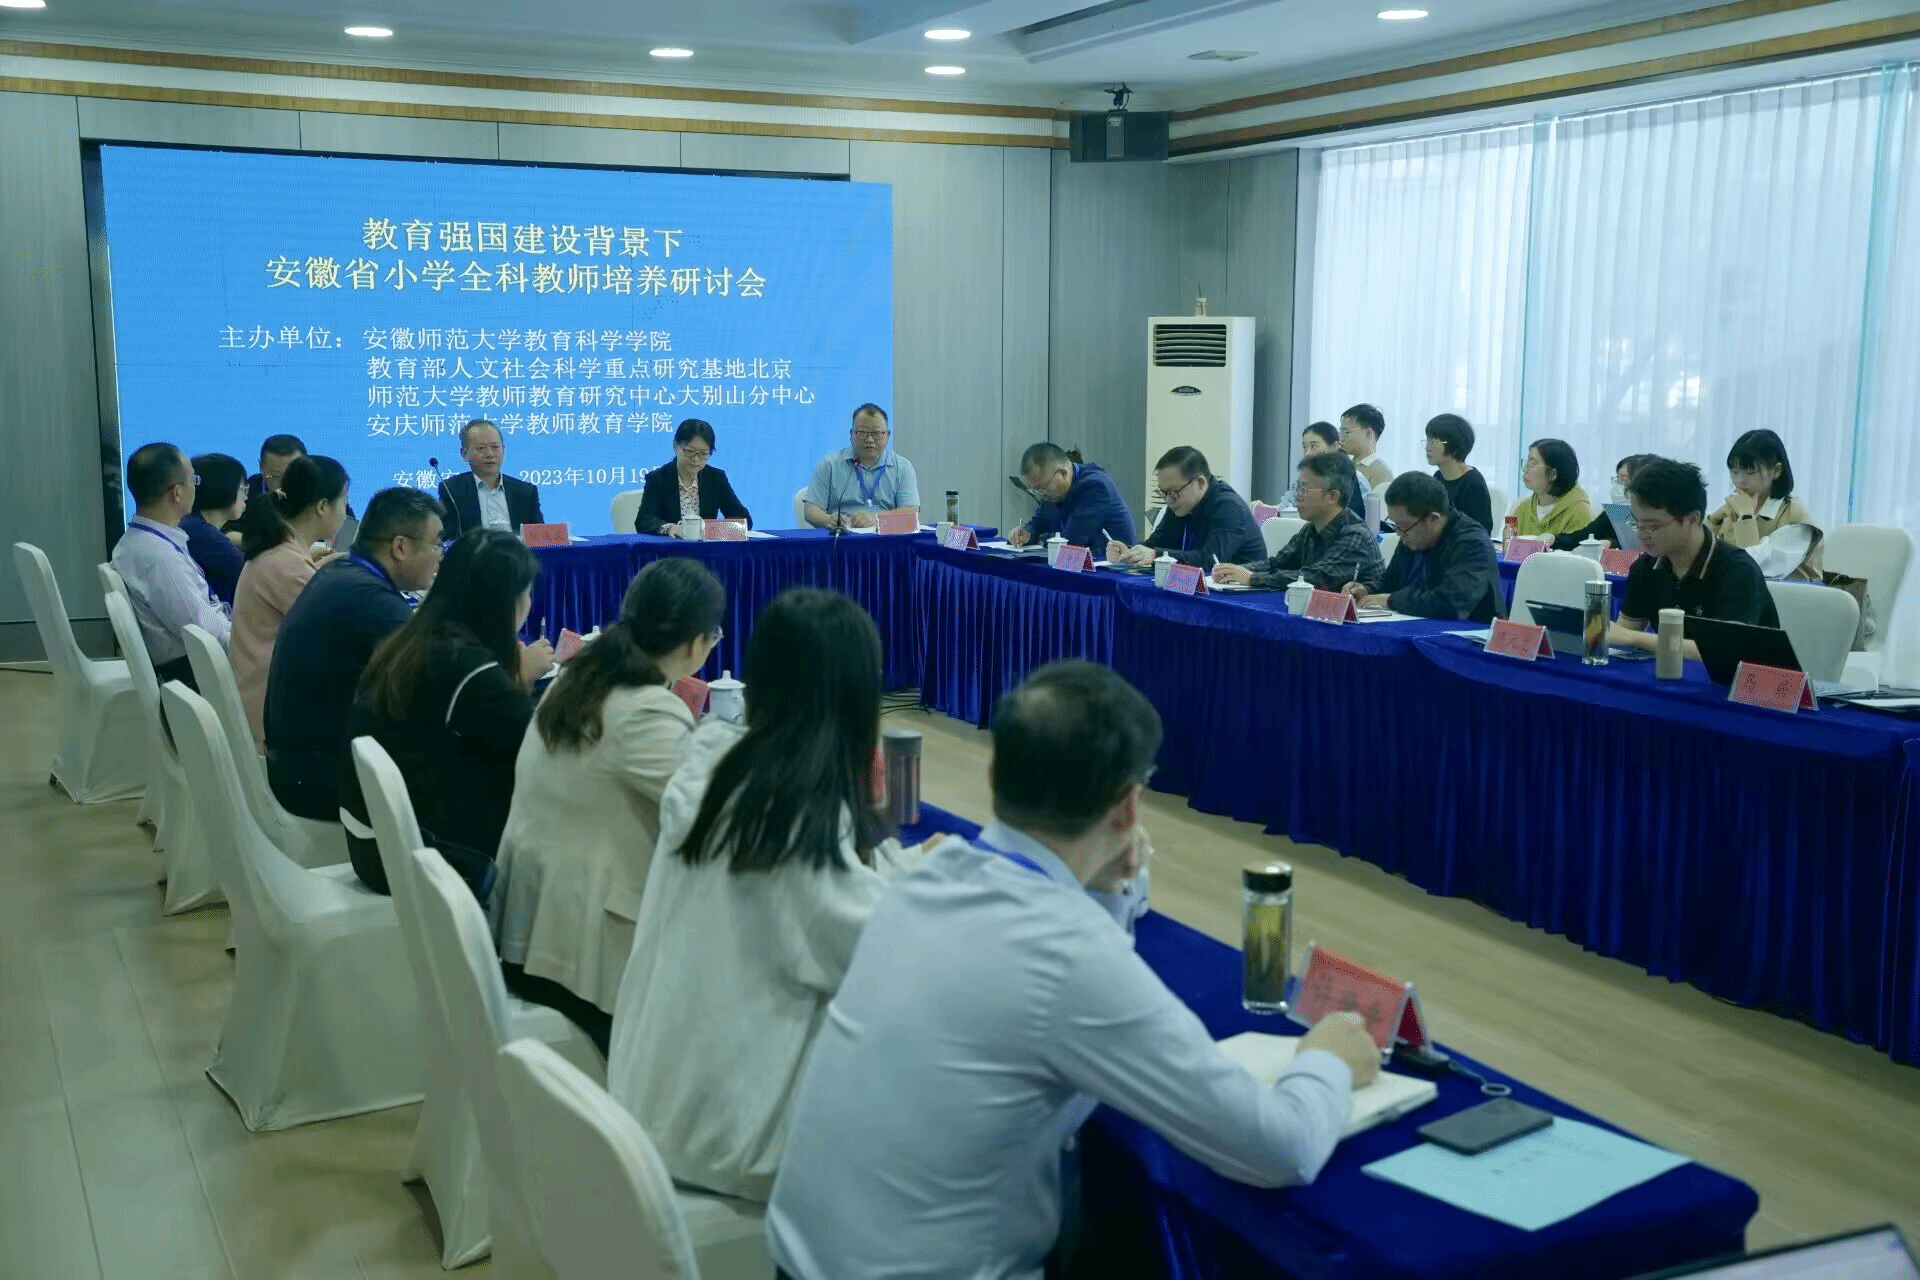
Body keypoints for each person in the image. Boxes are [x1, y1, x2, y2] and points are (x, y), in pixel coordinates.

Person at [766, 661, 1377, 1280]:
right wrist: (1326, 1060)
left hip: (799, 1259)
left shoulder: (925, 879)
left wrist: (1107, 891)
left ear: (995, 776)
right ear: (1129, 806)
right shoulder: (1067, 956)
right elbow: (1280, 1149)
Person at [607, 588, 925, 1202]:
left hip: (653, 1096)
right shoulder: (791, 819)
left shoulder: (719, 764)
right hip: (728, 1139)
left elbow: (833, 896)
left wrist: (905, 868)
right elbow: (882, 951)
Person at [493, 559, 725, 1054]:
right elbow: (718, 817)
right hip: (580, 962)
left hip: (529, 929)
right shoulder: (645, 708)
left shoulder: (580, 676)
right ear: (694, 644)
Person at [339, 529, 553, 900]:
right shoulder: (466, 667)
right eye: (527, 593)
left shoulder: (418, 637)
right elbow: (541, 741)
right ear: (506, 602)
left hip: (375, 842)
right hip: (424, 856)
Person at [264, 487, 443, 823]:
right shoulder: (372, 599)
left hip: (297, 766)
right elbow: (435, 685)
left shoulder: (344, 574)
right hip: (319, 782)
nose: (440, 555)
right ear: (400, 547)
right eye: (436, 543)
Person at [229, 456, 350, 753]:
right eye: (344, 502)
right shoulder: (286, 564)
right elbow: (338, 632)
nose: (346, 513)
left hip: (264, 701)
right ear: (322, 507)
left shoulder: (280, 551)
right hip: (274, 720)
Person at [1611, 459, 1780, 655]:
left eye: (1653, 526)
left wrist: (1634, 638)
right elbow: (1621, 635)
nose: (1641, 534)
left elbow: (1725, 651)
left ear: (1693, 519)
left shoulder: (1737, 571)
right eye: (1636, 523)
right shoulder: (1646, 566)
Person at [109, 443, 231, 688]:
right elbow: (205, 635)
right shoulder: (158, 558)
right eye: (193, 480)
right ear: (176, 493)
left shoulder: (139, 542)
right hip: (200, 675)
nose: (196, 486)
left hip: (193, 665)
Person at [1214, 452, 1382, 592]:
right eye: (1297, 488)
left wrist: (1252, 578)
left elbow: (1316, 578)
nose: (1297, 497)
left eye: (1304, 489)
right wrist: (1235, 571)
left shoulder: (1355, 534)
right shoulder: (1311, 529)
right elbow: (1278, 563)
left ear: (1332, 496)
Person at [1354, 473, 1499, 622]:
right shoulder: (1413, 532)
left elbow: (1451, 602)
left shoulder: (1472, 543)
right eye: (1396, 525)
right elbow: (1391, 582)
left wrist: (1391, 600)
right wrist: (1368, 589)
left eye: (1402, 526)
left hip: (1470, 630)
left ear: (1433, 519)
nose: (1399, 533)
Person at [1109, 446, 1265, 569]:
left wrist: (1155, 556)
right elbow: (1157, 543)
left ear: (1200, 483)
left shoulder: (1229, 508)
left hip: (1243, 593)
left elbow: (1210, 560)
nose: (1168, 499)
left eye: (1174, 492)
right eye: (1164, 492)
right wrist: (1129, 552)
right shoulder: (1180, 504)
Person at [1706, 429, 1821, 579]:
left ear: (1776, 470)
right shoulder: (1735, 506)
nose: (1740, 481)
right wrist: (1712, 522)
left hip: (1788, 593)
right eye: (1734, 472)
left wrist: (1746, 519)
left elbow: (1753, 570)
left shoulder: (1795, 515)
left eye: (1750, 472)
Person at [803, 404, 920, 529]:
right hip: (842, 535)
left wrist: (876, 519)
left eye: (876, 433)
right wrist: (830, 519)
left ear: (887, 435)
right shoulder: (830, 465)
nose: (869, 440)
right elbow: (810, 511)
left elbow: (911, 515)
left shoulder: (902, 468)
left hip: (886, 536)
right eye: (862, 433)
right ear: (851, 434)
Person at [632, 418, 752, 535]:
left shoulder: (716, 478)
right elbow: (644, 520)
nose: (696, 459)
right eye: (690, 451)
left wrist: (712, 529)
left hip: (706, 547)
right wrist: (669, 528)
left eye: (703, 454)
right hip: (671, 545)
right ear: (675, 446)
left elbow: (744, 520)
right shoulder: (658, 479)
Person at [1008, 441, 1136, 550]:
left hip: (1114, 566)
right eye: (1035, 491)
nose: (1041, 495)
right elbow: (1038, 523)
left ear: (1063, 473)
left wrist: (1041, 539)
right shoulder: (1051, 494)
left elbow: (1073, 540)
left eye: (1042, 488)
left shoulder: (1094, 486)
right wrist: (1026, 534)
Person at [437, 418, 545, 537]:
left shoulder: (525, 491)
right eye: (481, 448)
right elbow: (447, 536)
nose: (490, 454)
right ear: (464, 454)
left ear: (503, 449)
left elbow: (539, 537)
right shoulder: (452, 490)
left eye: (495, 447)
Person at [183, 452, 247, 607]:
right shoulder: (203, 535)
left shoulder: (191, 525)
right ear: (224, 489)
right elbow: (249, 576)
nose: (246, 496)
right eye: (242, 489)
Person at [1565, 452, 1660, 550]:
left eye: (1624, 479)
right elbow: (1581, 538)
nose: (1617, 485)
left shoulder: (1658, 518)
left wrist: (1613, 544)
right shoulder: (1617, 511)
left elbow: (1647, 549)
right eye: (1618, 478)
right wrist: (1555, 538)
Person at [1507, 438, 1593, 540]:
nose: (1525, 469)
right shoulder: (1520, 507)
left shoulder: (1580, 511)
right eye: (1527, 462)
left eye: (1533, 463)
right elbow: (1506, 542)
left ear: (1553, 474)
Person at [1425, 414, 1492, 533]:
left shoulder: (1473, 483)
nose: (1427, 448)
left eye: (1433, 442)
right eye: (1427, 441)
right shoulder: (1438, 477)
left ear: (1454, 446)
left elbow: (1481, 531)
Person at [1302, 420, 1368, 514]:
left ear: (1334, 446)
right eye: (1305, 447)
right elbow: (1287, 505)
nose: (1308, 453)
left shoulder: (1355, 479)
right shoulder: (1305, 478)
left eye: (1314, 446)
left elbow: (1365, 518)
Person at [1339, 403, 1393, 490]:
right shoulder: (1345, 465)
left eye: (1346, 432)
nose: (1341, 438)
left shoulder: (1380, 472)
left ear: (1368, 433)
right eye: (1340, 432)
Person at [248, 433, 307, 502]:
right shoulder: (243, 496)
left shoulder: (316, 493)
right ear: (261, 468)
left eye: (293, 474)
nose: (286, 484)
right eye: (276, 476)